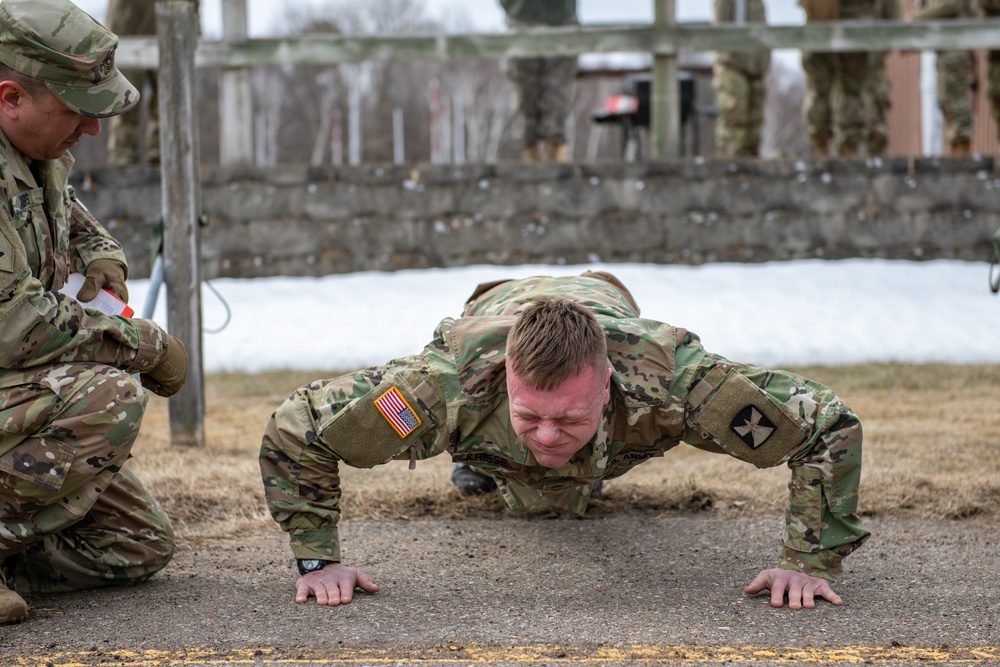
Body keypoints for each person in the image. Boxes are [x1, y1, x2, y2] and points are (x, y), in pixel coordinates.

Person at [260, 271, 871, 610]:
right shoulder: (437, 394)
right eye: (531, 416)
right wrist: (318, 558)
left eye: (571, 419)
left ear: (606, 385)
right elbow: (300, 426)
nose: (549, 434)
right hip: (496, 304)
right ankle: (489, 461)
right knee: (531, 485)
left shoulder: (678, 386)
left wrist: (809, 563)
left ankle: (581, 453)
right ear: (503, 379)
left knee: (568, 480)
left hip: (604, 298)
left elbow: (826, 426)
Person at [0, 0, 189, 625]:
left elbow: (67, 209)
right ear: (10, 98)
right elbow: (14, 321)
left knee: (134, 545)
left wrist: (100, 251)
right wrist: (140, 343)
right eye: (78, 112)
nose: (94, 129)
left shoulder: (31, 148)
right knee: (107, 395)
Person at [799, 0, 902, 157]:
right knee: (840, 90)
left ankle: (840, 148)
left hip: (833, 25)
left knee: (840, 90)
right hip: (843, 24)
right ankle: (837, 147)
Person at [499, 0, 578, 163]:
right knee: (524, 93)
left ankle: (555, 150)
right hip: (521, 17)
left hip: (562, 18)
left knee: (558, 92)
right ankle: (529, 154)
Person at [914, 0, 979, 159]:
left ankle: (962, 146)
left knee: (954, 96)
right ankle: (958, 145)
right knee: (946, 97)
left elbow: (952, 4)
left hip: (957, 41)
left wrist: (917, 17)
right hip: (945, 44)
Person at [713, 0, 770, 159]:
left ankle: (748, 162)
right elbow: (721, 29)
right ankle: (729, 161)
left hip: (755, 64)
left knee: (754, 120)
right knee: (735, 116)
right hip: (733, 63)